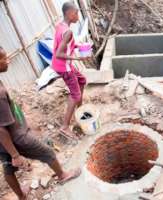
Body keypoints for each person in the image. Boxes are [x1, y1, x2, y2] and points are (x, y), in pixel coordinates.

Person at [0, 46, 81, 200]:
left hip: (3, 142)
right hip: (17, 137)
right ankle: (63, 175)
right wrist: (16, 154)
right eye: (4, 59)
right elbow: (1, 129)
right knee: (48, 153)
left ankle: (21, 196)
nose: (8, 60)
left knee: (8, 167)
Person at [52, 1, 88, 139]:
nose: (77, 15)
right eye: (76, 12)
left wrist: (79, 46)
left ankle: (79, 110)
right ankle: (65, 127)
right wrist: (79, 59)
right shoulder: (68, 32)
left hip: (63, 65)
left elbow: (64, 46)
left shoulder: (61, 26)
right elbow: (59, 53)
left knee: (82, 80)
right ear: (69, 13)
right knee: (76, 94)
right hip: (64, 67)